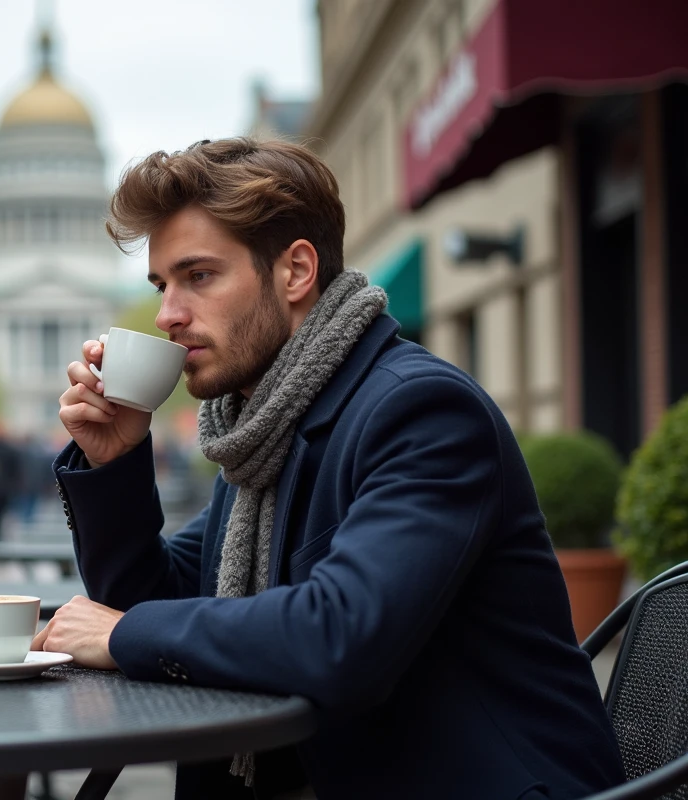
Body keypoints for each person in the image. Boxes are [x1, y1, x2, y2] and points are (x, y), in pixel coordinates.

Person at [32, 139, 624, 800]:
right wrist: (115, 461)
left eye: (198, 276)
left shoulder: (422, 412)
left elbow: (341, 637)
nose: (168, 313)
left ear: (295, 272)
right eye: (162, 284)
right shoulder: (262, 429)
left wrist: (121, 634)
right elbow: (161, 602)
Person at [0, 417, 23, 541]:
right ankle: (0, 537)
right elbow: (17, 469)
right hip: (5, 487)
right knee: (4, 515)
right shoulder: (10, 449)